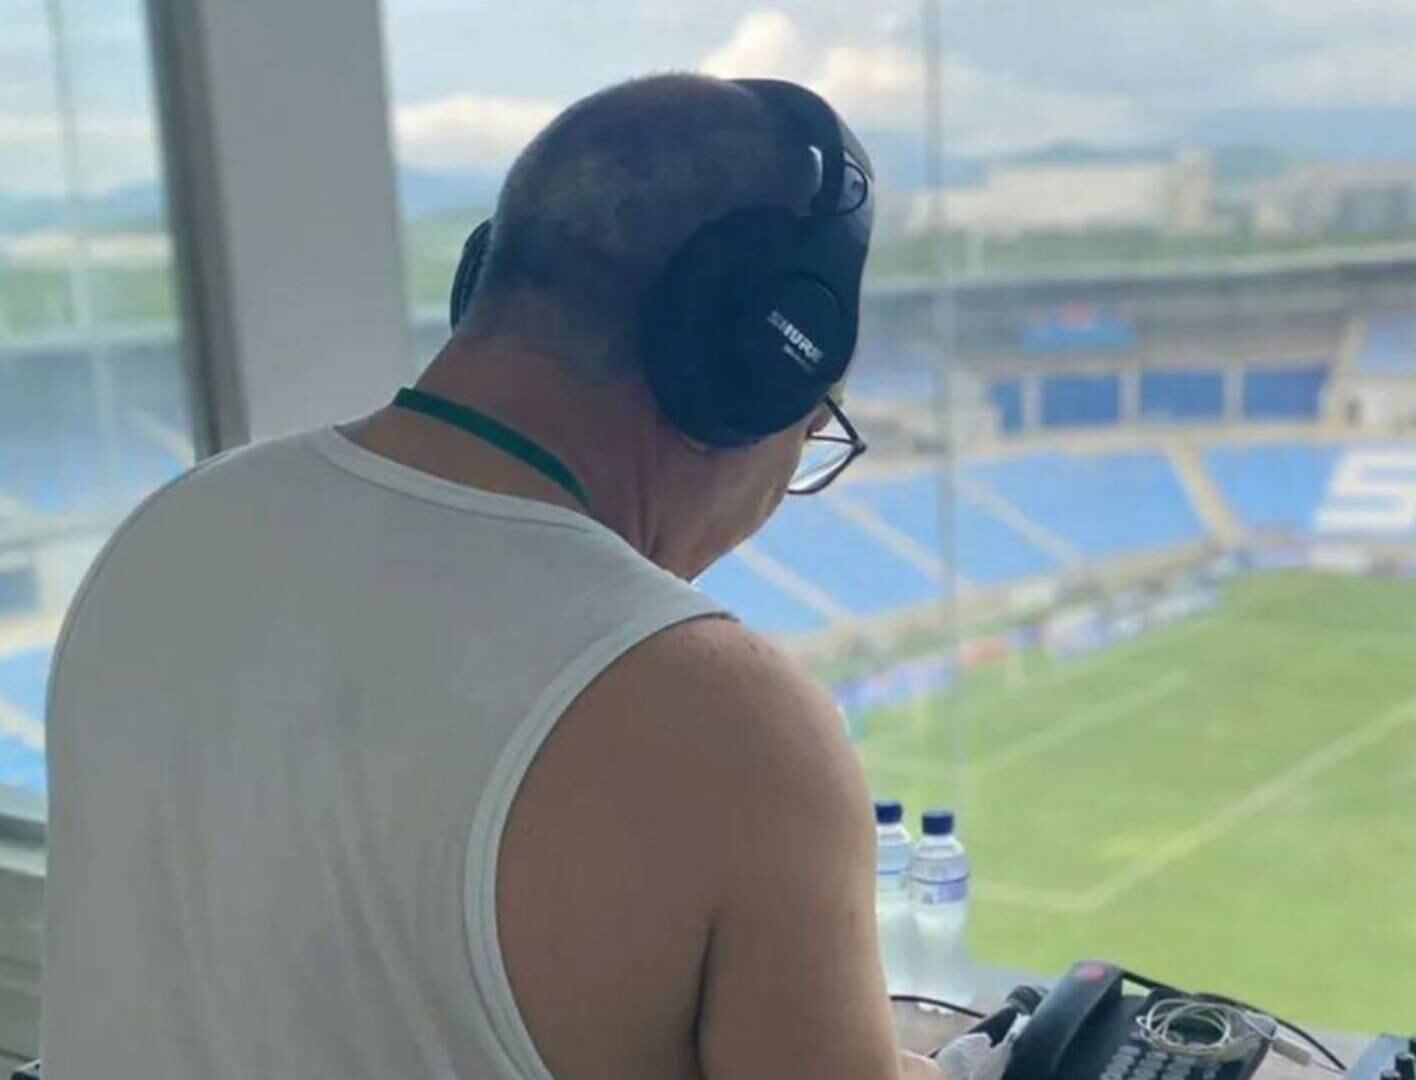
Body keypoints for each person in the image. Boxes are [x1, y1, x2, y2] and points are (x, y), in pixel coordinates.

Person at [41, 73, 942, 1080]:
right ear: (752, 370)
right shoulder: (721, 719)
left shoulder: (170, 534)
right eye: (812, 432)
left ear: (484, 282)